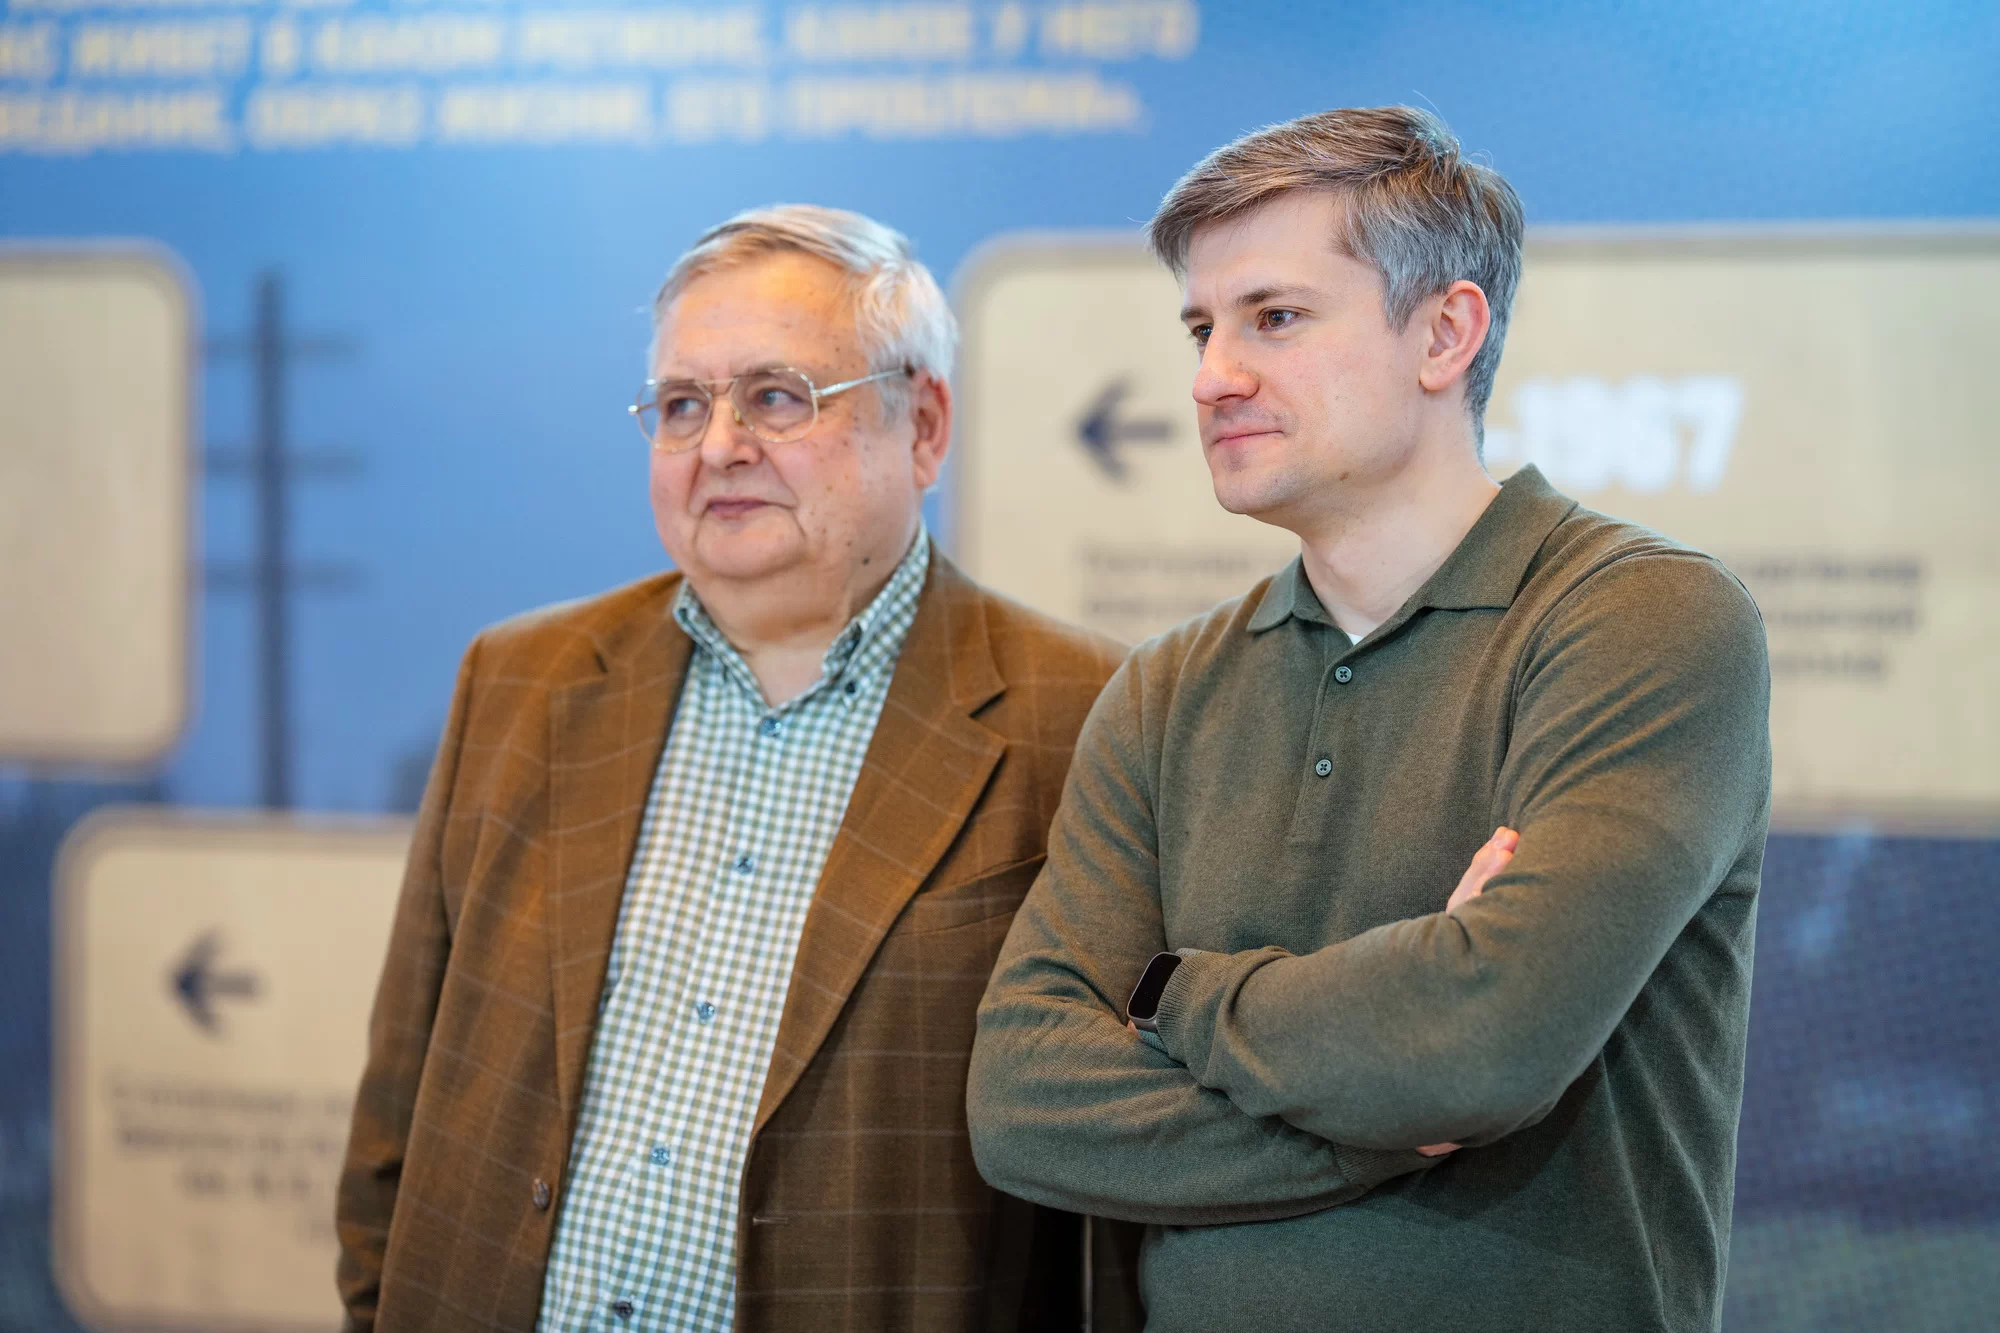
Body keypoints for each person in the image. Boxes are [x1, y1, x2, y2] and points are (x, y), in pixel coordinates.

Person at [967, 106, 1772, 1332]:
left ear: (1444, 332)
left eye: (1274, 317)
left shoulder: (1643, 617)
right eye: (1200, 327)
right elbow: (1023, 1101)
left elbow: (1479, 1045)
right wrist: (1396, 1117)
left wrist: (1176, 996)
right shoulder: (1163, 688)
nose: (1211, 376)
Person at [337, 204, 1123, 1333]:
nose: (718, 447)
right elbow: (399, 1110)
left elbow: (1107, 1190)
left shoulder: (1085, 717)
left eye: (776, 396)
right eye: (680, 405)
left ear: (923, 425)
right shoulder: (520, 681)